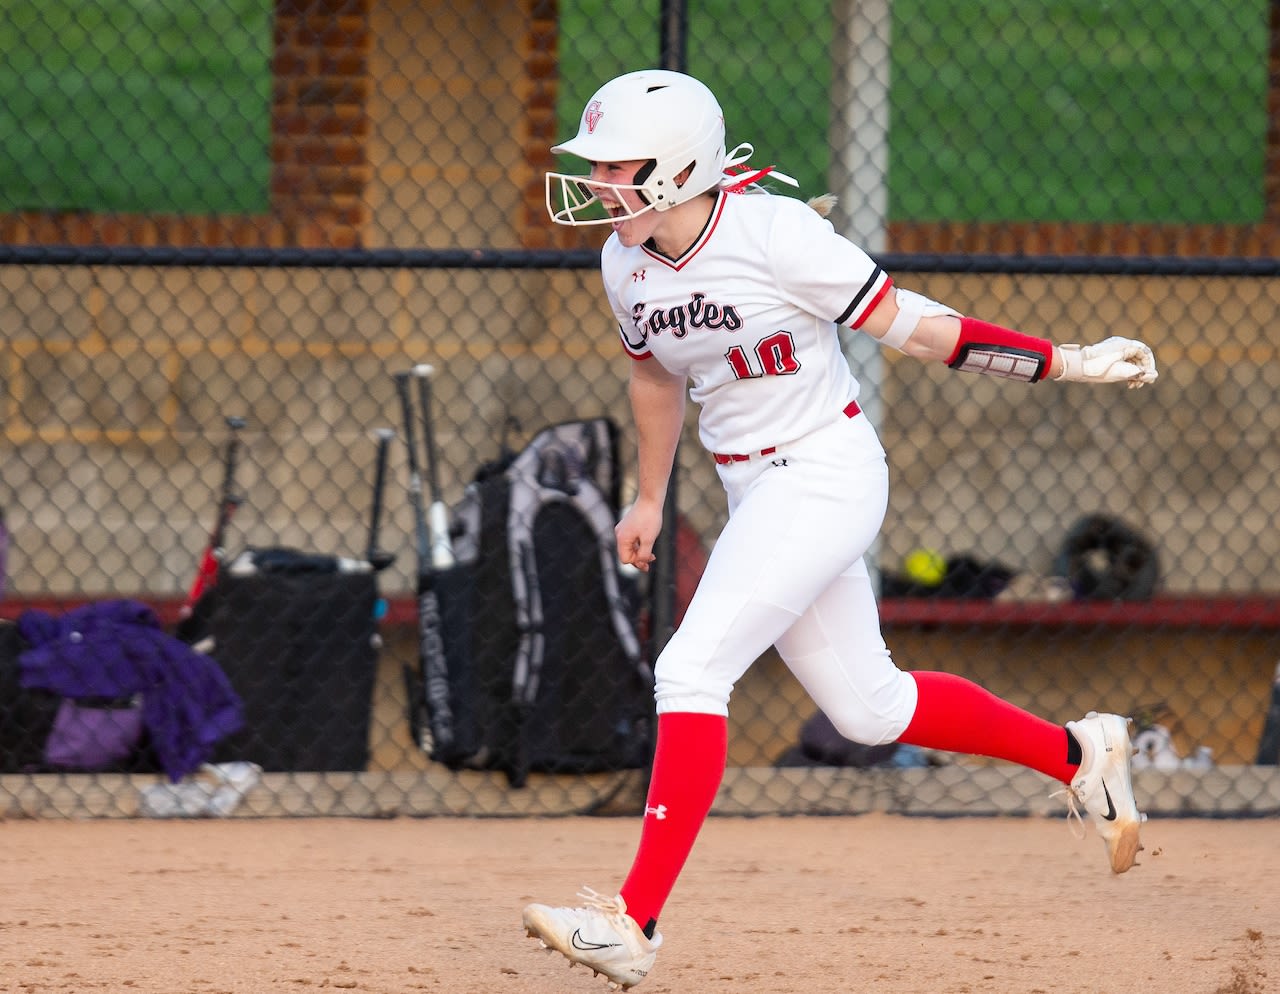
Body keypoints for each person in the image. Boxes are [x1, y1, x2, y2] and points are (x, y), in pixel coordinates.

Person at [524, 68, 1158, 990]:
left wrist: (1063, 361)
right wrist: (651, 496)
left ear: (675, 168)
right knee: (871, 710)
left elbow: (923, 333)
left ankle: (633, 923)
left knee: (690, 670)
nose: (596, 187)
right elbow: (655, 377)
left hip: (824, 473)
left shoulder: (779, 235)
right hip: (755, 491)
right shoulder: (623, 261)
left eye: (615, 167)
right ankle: (1079, 752)